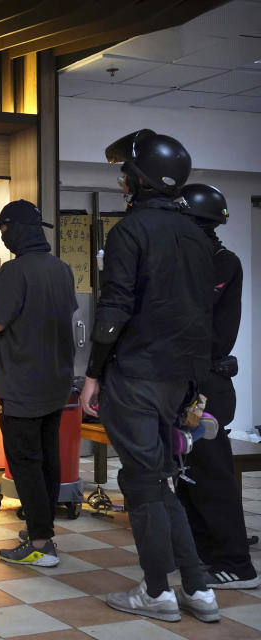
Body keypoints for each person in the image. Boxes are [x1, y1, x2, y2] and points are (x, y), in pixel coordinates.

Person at [82, 130, 218, 623]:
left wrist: (94, 373)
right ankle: (198, 590)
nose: (120, 179)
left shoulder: (130, 231)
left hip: (136, 374)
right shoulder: (198, 237)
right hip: (179, 379)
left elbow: (115, 308)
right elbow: (205, 315)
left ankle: (158, 592)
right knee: (159, 481)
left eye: (124, 171)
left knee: (142, 484)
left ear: (138, 179)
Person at [0, 200, 77, 567]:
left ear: (16, 230)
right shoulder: (62, 269)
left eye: (3, 230)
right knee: (47, 459)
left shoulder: (14, 271)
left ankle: (41, 544)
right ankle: (44, 531)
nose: (2, 236)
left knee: (25, 462)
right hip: (56, 382)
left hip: (22, 386)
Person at [175, 184, 259, 589]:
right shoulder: (201, 260)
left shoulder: (221, 263)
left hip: (207, 387)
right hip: (194, 382)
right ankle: (200, 553)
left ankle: (236, 565)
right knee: (190, 475)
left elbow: (194, 322)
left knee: (211, 476)